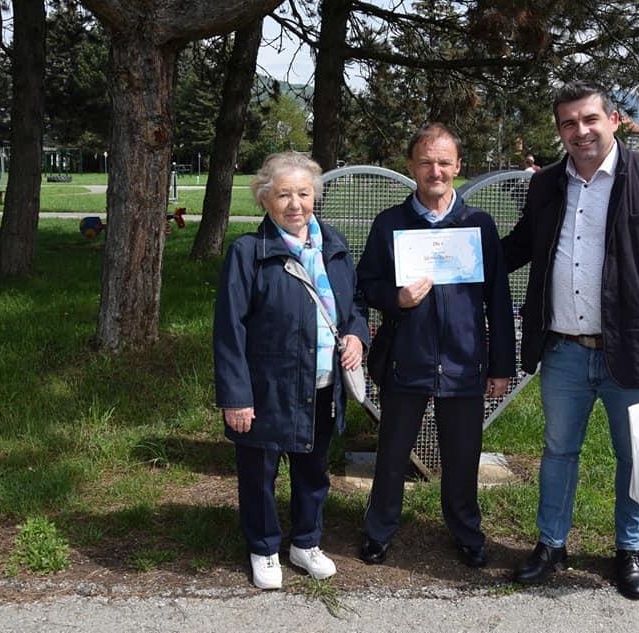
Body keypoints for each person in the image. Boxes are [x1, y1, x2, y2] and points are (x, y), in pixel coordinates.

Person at [501, 81, 639, 600]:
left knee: (635, 456)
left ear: (614, 120)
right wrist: (455, 256)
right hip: (564, 350)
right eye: (569, 123)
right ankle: (551, 545)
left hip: (637, 348)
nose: (581, 131)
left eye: (590, 119)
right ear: (560, 132)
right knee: (558, 452)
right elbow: (523, 246)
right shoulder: (547, 184)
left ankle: (628, 549)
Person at [356, 123, 516, 569]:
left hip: (465, 363)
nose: (436, 170)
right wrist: (396, 298)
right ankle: (379, 531)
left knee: (463, 456)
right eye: (426, 162)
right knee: (392, 453)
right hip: (406, 359)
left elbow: (498, 302)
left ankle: (466, 531)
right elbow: (366, 285)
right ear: (411, 167)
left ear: (459, 167)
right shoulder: (390, 222)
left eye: (445, 162)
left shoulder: (478, 225)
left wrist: (501, 366)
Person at [213, 152, 369, 590]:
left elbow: (352, 306)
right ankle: (263, 548)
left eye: (303, 193)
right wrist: (236, 397)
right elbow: (229, 331)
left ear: (315, 196)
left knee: (313, 472)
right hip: (267, 390)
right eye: (284, 194)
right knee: (260, 475)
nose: (295, 203)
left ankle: (305, 542)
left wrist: (357, 336)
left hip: (321, 386)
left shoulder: (333, 245)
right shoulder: (249, 253)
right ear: (265, 199)